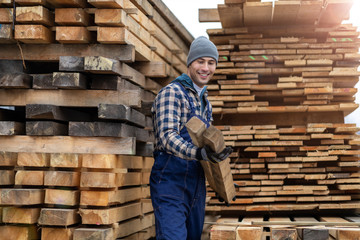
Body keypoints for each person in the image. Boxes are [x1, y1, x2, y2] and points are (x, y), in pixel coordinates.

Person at [150, 36, 233, 240]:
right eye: (200, 61)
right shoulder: (172, 93)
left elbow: (206, 147)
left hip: (196, 184)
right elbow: (167, 137)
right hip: (171, 182)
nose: (206, 68)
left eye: (211, 63)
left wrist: (223, 183)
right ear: (190, 64)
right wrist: (198, 153)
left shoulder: (205, 102)